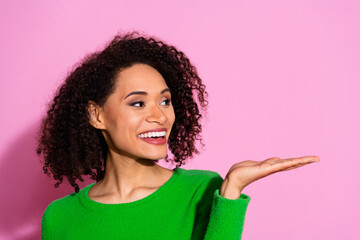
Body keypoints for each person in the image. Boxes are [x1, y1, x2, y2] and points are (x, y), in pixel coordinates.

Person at [36, 31, 320, 240]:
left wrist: (231, 191)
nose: (160, 116)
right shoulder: (60, 217)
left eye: (165, 101)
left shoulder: (202, 191)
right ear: (97, 116)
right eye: (138, 103)